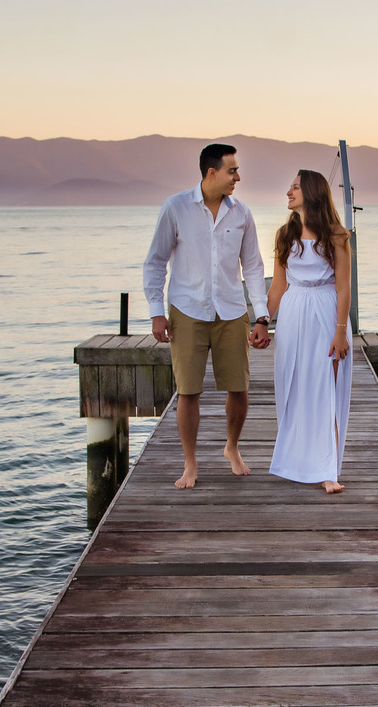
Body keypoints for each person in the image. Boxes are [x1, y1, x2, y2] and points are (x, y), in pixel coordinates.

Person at [143, 143, 272, 489]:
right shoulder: (176, 208)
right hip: (187, 310)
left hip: (231, 311)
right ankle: (190, 462)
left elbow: (255, 267)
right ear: (211, 172)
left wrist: (262, 316)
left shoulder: (242, 213)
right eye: (232, 171)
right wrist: (157, 313)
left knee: (239, 388)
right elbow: (155, 262)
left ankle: (232, 447)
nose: (238, 177)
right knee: (188, 391)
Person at [267, 169, 353, 494]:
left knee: (325, 390)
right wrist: (262, 321)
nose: (289, 192)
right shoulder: (284, 235)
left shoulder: (337, 236)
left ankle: (328, 469)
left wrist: (341, 332)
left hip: (326, 311)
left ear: (312, 193)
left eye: (295, 187)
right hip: (292, 313)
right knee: (294, 386)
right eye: (289, 186)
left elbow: (344, 289)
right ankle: (299, 462)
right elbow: (278, 285)